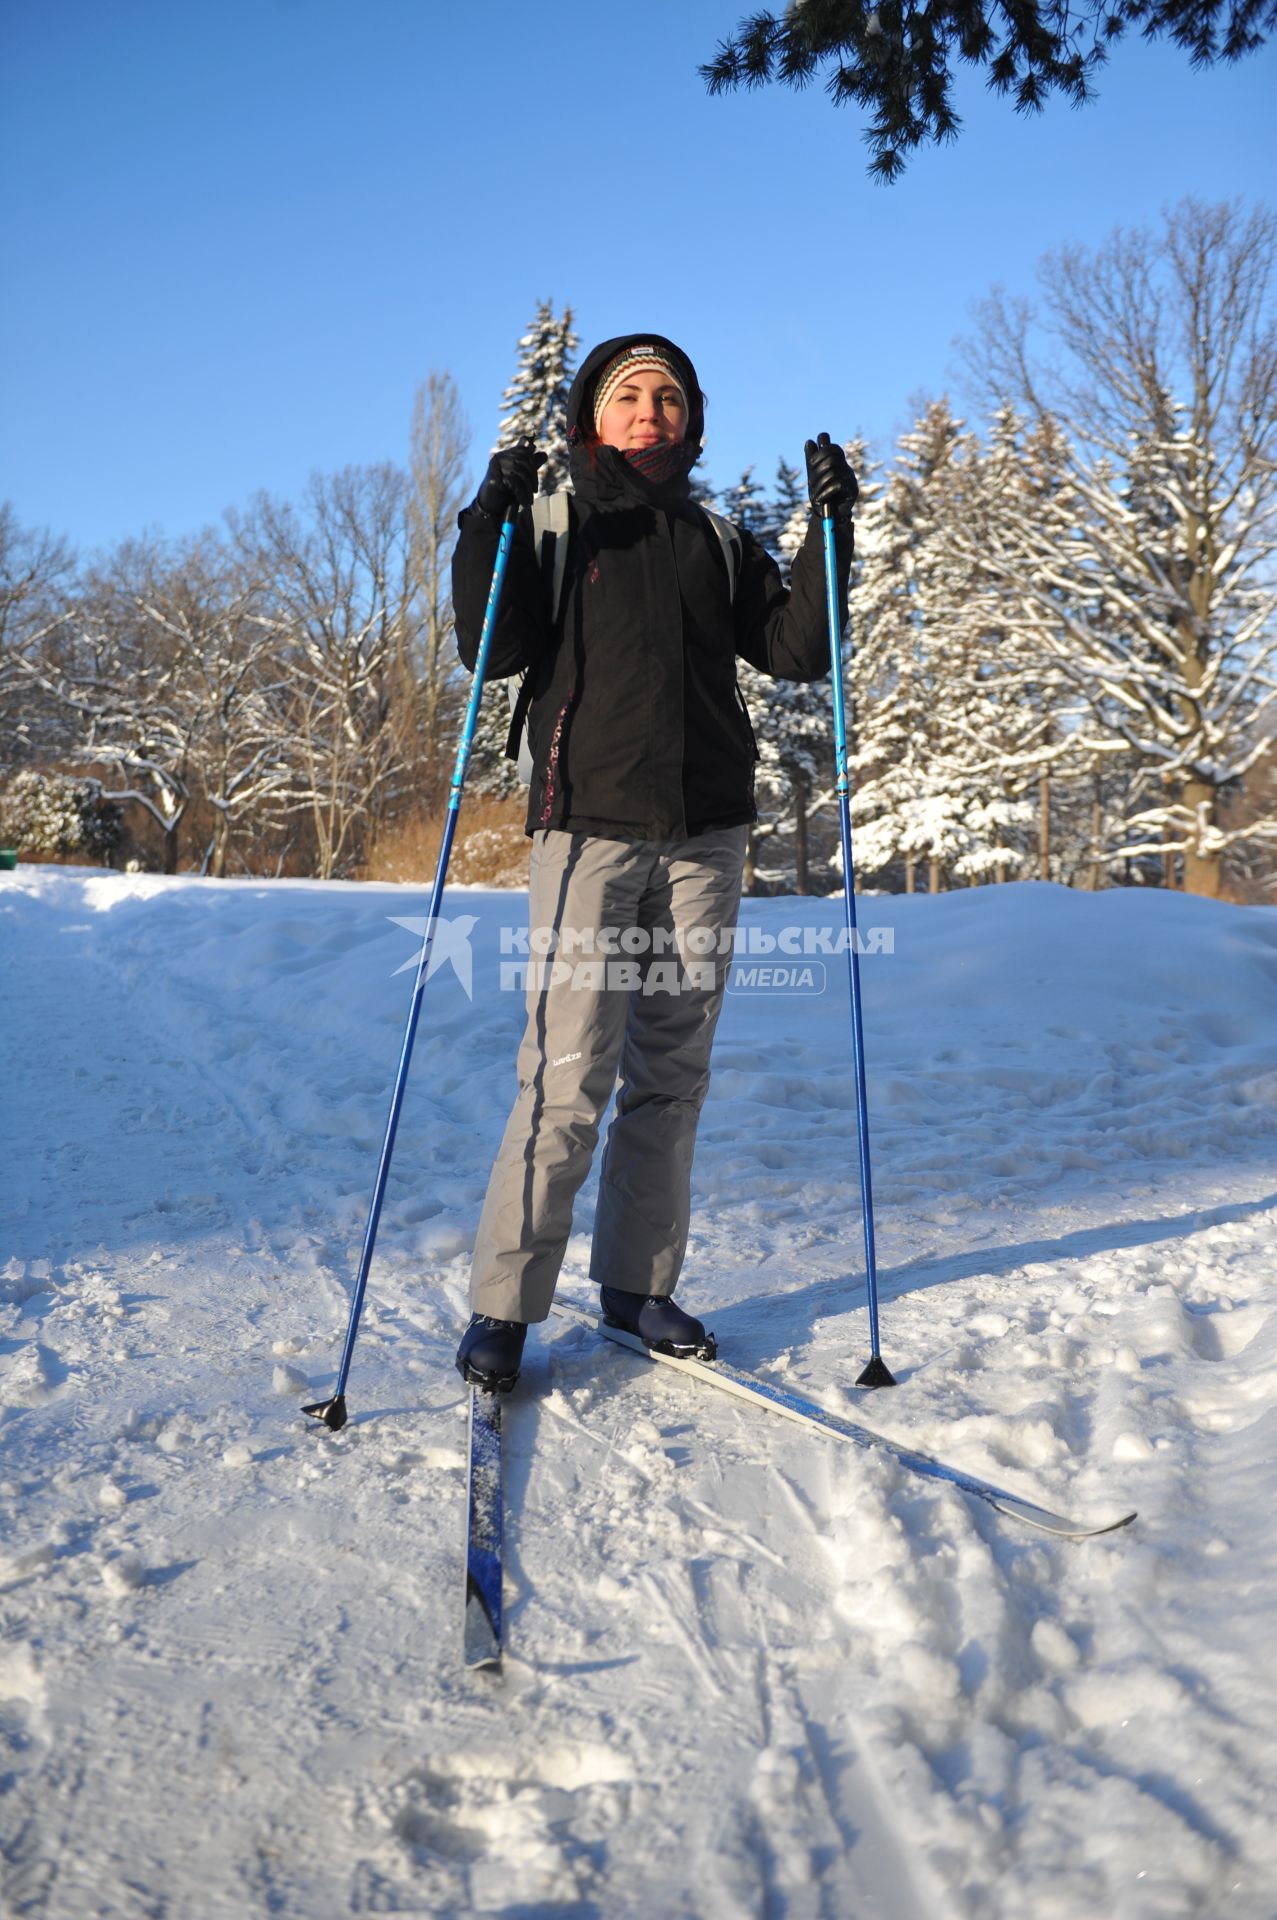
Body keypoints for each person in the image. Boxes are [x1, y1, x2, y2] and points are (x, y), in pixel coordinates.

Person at [451, 332, 856, 1390]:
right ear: (593, 416)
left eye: (668, 397)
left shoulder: (715, 540)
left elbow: (798, 653)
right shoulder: (550, 521)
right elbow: (488, 650)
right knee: (566, 1074)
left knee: (669, 1077)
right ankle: (504, 1302)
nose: (650, 412)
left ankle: (635, 1287)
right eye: (630, 395)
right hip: (586, 827)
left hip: (707, 834)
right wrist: (487, 516)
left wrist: (828, 532)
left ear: (691, 421)